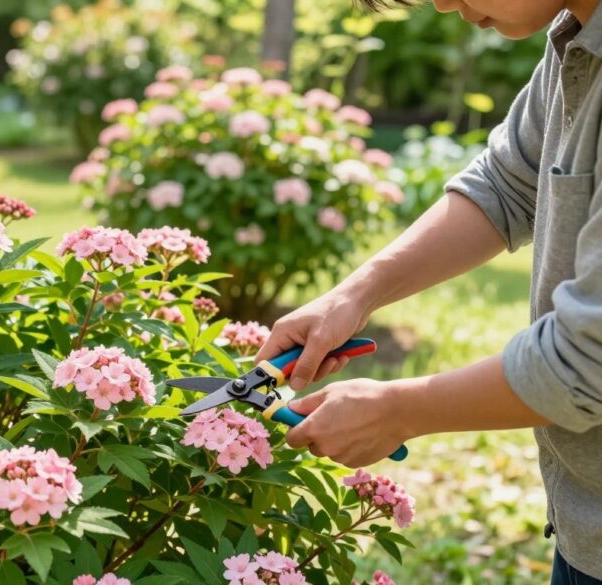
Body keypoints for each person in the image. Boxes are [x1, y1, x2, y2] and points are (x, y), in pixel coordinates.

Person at [254, 1, 602, 582]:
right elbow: (507, 184)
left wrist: (397, 410)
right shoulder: (576, 34)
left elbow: (587, 359)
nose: (442, 3)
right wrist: (353, 296)